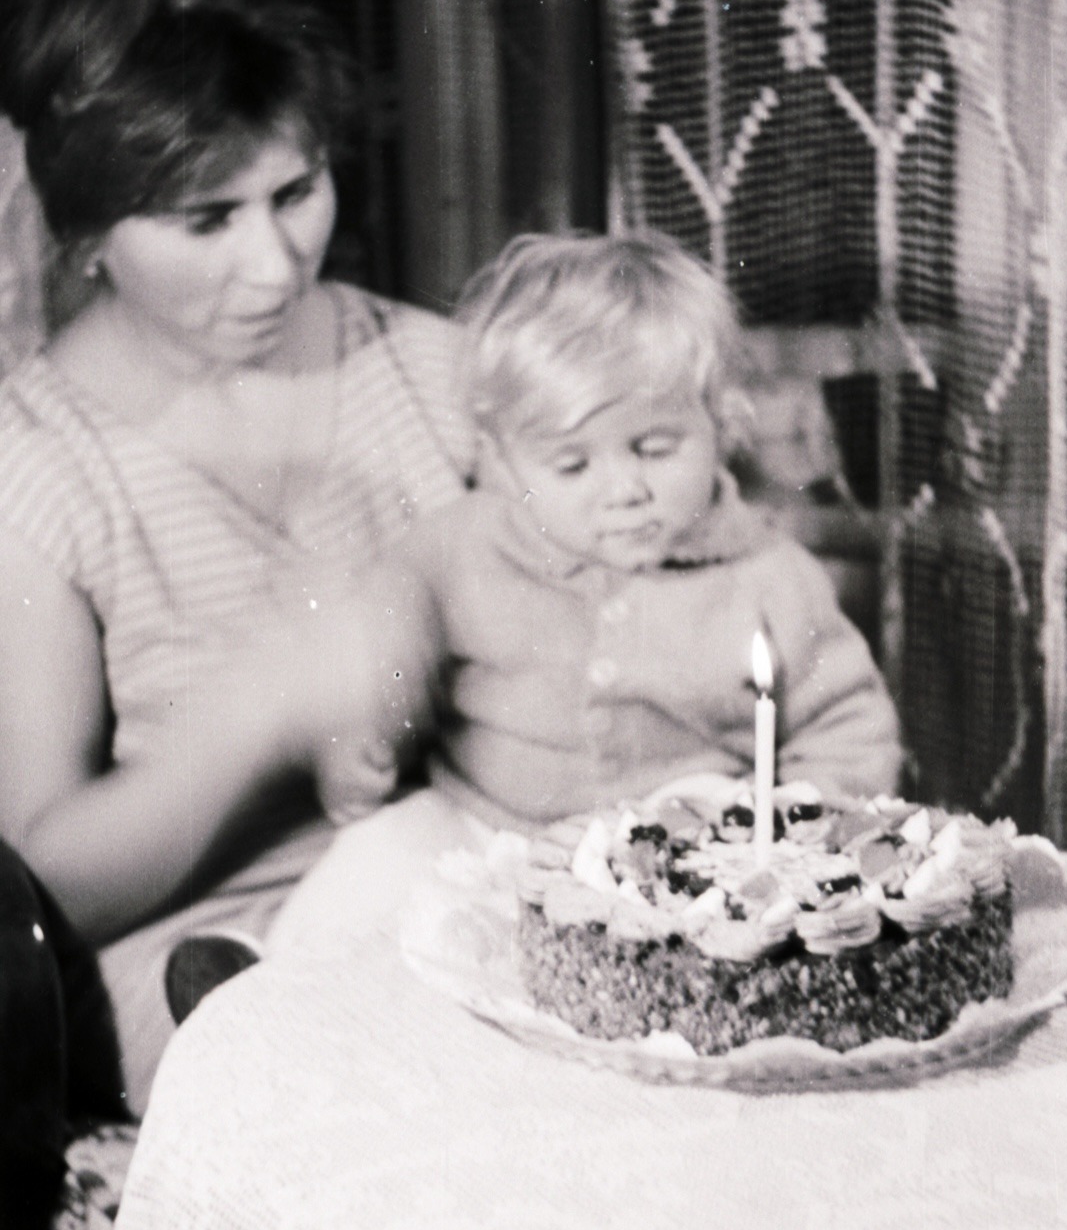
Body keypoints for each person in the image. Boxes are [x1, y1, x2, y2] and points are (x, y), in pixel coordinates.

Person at [0, 0, 473, 1122]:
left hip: (462, 910)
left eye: (297, 191)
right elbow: (34, 890)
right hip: (212, 995)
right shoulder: (37, 470)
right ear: (88, 226)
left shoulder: (435, 375)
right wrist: (261, 708)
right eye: (206, 218)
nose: (275, 266)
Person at [312, 230, 902, 842]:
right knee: (369, 864)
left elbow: (845, 731)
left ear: (722, 426)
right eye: (572, 466)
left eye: (654, 449)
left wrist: (796, 822)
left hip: (678, 869)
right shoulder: (459, 546)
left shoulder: (770, 577)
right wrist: (360, 732)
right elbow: (384, 637)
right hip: (482, 836)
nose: (624, 489)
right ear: (504, 461)